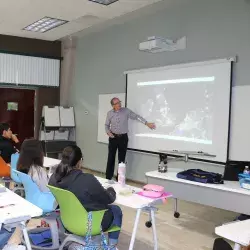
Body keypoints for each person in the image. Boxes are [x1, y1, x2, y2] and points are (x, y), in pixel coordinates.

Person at [49, 145, 122, 249]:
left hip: (67, 221)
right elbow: (108, 199)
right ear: (79, 161)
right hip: (89, 223)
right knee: (116, 210)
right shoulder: (87, 179)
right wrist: (111, 190)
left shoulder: (54, 178)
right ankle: (112, 246)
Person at [105, 97, 156, 180]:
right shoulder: (109, 113)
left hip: (123, 138)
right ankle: (108, 178)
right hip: (113, 138)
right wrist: (108, 132)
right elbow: (106, 125)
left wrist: (146, 123)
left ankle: (119, 179)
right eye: (117, 103)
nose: (119, 104)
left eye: (119, 102)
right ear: (113, 105)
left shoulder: (126, 111)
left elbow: (136, 117)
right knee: (111, 158)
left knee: (121, 160)